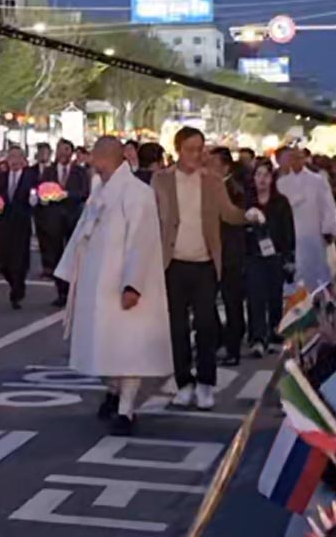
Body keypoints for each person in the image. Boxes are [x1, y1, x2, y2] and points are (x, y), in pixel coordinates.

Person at [55, 136, 172, 436]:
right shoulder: (101, 190)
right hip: (98, 285)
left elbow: (142, 241)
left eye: (96, 157)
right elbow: (83, 232)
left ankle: (126, 409)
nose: (92, 163)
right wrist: (70, 270)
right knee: (106, 346)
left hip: (123, 285)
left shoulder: (137, 193)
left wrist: (133, 284)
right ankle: (114, 391)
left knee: (129, 348)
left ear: (106, 158)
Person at [151, 127, 250, 410]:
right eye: (191, 149)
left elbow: (228, 213)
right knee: (177, 327)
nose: (196, 155)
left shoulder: (212, 181)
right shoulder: (161, 180)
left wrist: (249, 215)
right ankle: (183, 383)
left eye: (200, 149)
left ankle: (206, 383)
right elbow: (150, 215)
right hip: (173, 263)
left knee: (206, 325)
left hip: (205, 263)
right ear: (178, 150)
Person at [244, 161, 295, 357]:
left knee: (275, 297)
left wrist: (289, 257)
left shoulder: (281, 202)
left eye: (266, 175)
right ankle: (257, 338)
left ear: (272, 179)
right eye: (258, 175)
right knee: (255, 298)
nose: (262, 179)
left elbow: (288, 231)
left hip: (276, 256)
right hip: (253, 257)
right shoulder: (247, 202)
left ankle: (275, 334)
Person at [36, 138, 90, 305]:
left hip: (73, 217)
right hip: (53, 219)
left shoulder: (80, 172)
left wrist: (67, 195)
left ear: (71, 153)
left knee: (73, 255)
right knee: (57, 256)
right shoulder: (49, 171)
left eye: (66, 150)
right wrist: (47, 197)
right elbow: (41, 190)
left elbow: (84, 192)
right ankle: (61, 292)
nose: (63, 153)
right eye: (60, 150)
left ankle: (75, 290)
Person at [278, 145, 336, 289]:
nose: (296, 161)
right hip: (292, 233)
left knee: (316, 268)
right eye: (293, 158)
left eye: (299, 158)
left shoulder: (317, 180)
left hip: (314, 231)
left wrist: (329, 228)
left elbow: (327, 205)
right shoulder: (281, 184)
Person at [208, 146, 248, 367]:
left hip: (230, 253)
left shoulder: (235, 189)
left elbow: (236, 217)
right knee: (206, 300)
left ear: (225, 167)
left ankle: (232, 346)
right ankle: (216, 340)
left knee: (232, 301)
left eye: (213, 164)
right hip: (210, 252)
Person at [0, 145, 38, 309]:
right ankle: (13, 282)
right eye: (11, 157)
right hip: (5, 223)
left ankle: (17, 290)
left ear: (23, 160)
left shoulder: (30, 176)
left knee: (20, 259)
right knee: (3, 261)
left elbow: (36, 194)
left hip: (22, 222)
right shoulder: (2, 177)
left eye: (17, 157)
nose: (14, 161)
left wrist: (34, 200)